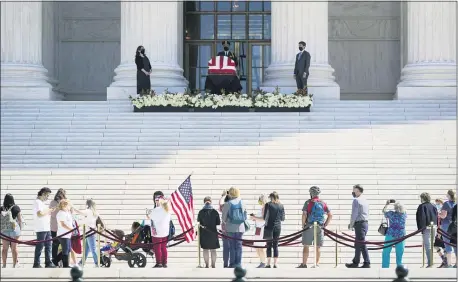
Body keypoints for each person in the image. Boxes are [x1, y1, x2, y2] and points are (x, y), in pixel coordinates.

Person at [297, 186, 332, 268]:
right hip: (320, 226)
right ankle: (316, 264)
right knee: (318, 246)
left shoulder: (308, 202)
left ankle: (304, 264)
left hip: (309, 225)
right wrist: (325, 224)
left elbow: (304, 214)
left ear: (311, 193)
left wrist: (303, 225)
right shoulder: (323, 203)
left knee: (306, 245)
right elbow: (330, 215)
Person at [346, 184, 370, 268]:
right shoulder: (365, 200)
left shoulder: (356, 200)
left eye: (354, 190)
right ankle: (355, 262)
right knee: (358, 244)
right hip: (365, 223)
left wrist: (351, 224)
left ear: (358, 191)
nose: (353, 192)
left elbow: (354, 214)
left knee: (361, 244)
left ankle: (367, 262)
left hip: (359, 224)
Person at [222, 187, 247, 267]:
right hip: (240, 227)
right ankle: (238, 263)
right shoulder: (242, 202)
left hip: (230, 228)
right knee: (239, 246)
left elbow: (223, 218)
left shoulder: (227, 203)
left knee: (232, 245)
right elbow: (245, 216)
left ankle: (232, 263)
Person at [33, 187, 56, 268]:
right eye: (47, 195)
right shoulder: (37, 202)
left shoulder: (42, 203)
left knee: (49, 245)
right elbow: (40, 214)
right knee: (40, 246)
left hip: (46, 227)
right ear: (43, 194)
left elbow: (44, 213)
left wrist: (49, 211)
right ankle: (36, 263)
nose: (47, 197)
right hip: (41, 228)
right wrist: (49, 210)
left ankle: (48, 262)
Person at [74, 199, 100, 266]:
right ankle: (81, 262)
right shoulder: (95, 212)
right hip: (91, 232)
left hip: (89, 232)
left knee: (93, 249)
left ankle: (97, 262)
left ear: (87, 204)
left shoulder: (88, 211)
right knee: (86, 249)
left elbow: (79, 212)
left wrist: (72, 207)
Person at [381, 201, 407, 268]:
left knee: (386, 252)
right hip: (401, 236)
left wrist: (387, 204)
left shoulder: (391, 214)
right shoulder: (404, 214)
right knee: (399, 253)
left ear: (395, 208)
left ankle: (385, 266)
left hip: (391, 234)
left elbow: (383, 211)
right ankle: (399, 266)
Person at [147, 196, 171, 268]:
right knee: (163, 248)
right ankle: (164, 262)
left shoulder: (156, 210)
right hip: (165, 232)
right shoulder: (167, 210)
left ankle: (159, 262)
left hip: (157, 232)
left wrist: (148, 214)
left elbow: (150, 217)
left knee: (157, 248)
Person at [263, 192, 285, 268]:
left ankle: (268, 264)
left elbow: (265, 216)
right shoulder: (281, 205)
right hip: (278, 227)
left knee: (269, 245)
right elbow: (283, 218)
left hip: (269, 226)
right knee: (275, 245)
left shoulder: (268, 205)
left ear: (271, 197)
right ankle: (275, 264)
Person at [415, 192, 438, 268]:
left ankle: (430, 263)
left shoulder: (422, 206)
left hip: (426, 227)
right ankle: (429, 262)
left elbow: (422, 218)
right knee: (430, 245)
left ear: (423, 198)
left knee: (428, 245)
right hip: (434, 226)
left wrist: (421, 229)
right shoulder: (433, 205)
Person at [0, 193, 23, 268]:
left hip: (4, 231)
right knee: (14, 248)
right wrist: (20, 229)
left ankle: (4, 265)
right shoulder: (16, 208)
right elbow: (20, 220)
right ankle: (14, 264)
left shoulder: (1, 208)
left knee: (4, 248)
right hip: (14, 230)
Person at [197, 196, 220, 268]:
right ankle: (213, 265)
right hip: (213, 232)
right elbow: (218, 222)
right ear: (211, 201)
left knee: (205, 249)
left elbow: (198, 222)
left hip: (204, 233)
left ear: (204, 202)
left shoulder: (201, 212)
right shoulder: (215, 212)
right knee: (213, 250)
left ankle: (207, 264)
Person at [439, 190, 456, 267]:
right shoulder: (456, 203)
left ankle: (449, 264)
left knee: (447, 244)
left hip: (446, 225)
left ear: (449, 195)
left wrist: (438, 214)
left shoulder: (446, 204)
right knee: (455, 244)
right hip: (455, 226)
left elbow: (443, 215)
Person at [49, 188, 66, 266]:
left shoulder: (64, 203)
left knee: (62, 245)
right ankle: (55, 260)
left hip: (61, 228)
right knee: (56, 244)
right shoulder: (53, 203)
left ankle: (58, 260)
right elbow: (52, 214)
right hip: (56, 227)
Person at [250, 195, 267, 268]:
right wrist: (255, 218)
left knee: (260, 247)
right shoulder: (262, 208)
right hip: (258, 228)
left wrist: (254, 217)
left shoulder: (265, 207)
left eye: (260, 199)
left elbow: (263, 218)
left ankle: (263, 262)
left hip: (262, 229)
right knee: (257, 247)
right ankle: (262, 261)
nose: (259, 201)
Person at [56, 200, 74, 268]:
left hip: (67, 235)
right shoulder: (61, 213)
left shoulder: (67, 212)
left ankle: (55, 260)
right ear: (64, 205)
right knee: (65, 250)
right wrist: (71, 229)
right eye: (68, 205)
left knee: (68, 249)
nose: (69, 207)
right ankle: (65, 265)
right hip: (63, 234)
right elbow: (62, 224)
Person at [434, 199, 448, 268]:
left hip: (443, 231)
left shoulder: (443, 212)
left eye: (438, 203)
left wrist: (439, 233)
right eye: (436, 204)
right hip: (439, 230)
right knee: (436, 246)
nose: (437, 205)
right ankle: (444, 260)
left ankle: (444, 262)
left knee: (444, 247)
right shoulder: (437, 213)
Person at [219, 190, 231, 267]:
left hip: (225, 230)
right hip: (233, 229)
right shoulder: (233, 204)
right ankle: (231, 263)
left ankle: (226, 263)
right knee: (232, 247)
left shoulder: (224, 206)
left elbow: (220, 205)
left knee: (226, 248)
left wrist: (223, 196)